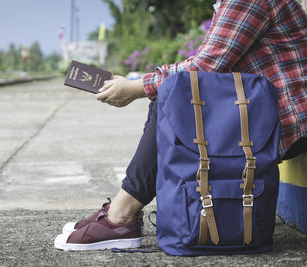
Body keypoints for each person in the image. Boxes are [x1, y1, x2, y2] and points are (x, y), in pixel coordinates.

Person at [54, 0, 307, 250]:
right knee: (169, 97)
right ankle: (124, 212)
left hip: (285, 120)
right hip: (261, 116)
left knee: (173, 100)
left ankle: (122, 216)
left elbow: (203, 67)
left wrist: (135, 87)